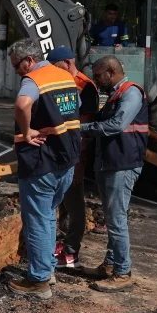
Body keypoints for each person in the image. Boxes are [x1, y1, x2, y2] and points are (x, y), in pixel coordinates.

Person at [6, 38, 81, 300]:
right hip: (67, 160)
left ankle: (38, 281)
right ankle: (47, 270)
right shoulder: (64, 77)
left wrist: (26, 131)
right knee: (48, 215)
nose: (16, 71)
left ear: (29, 60)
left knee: (37, 220)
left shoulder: (34, 80)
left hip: (42, 163)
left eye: (17, 65)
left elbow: (22, 105)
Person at [80, 55, 148, 293]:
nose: (96, 81)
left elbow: (117, 125)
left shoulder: (131, 93)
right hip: (109, 163)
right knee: (111, 219)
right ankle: (110, 265)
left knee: (116, 220)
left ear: (110, 72)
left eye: (98, 76)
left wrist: (81, 129)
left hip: (122, 164)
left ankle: (122, 272)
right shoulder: (115, 95)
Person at [47, 46, 100, 269]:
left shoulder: (85, 87)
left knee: (74, 202)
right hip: (58, 152)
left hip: (74, 154)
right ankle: (61, 244)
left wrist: (78, 163)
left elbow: (82, 131)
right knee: (61, 202)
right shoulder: (62, 81)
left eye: (56, 67)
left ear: (68, 63)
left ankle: (71, 251)